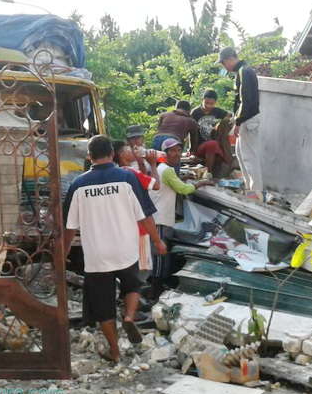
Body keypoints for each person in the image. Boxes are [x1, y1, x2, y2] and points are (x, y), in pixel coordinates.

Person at [64, 135, 167, 363]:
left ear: (89, 156)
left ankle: (115, 351)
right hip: (126, 250)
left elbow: (69, 228)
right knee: (132, 286)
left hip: (97, 256)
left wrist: (62, 253)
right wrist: (158, 241)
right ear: (112, 153)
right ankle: (129, 316)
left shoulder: (78, 185)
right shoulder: (127, 178)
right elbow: (145, 215)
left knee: (103, 306)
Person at [147, 137, 211, 298]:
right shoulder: (167, 170)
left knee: (159, 257)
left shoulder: (162, 169)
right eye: (172, 151)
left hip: (157, 218)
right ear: (165, 153)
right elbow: (183, 189)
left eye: (178, 150)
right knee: (160, 258)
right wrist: (200, 183)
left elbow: (174, 184)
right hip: (160, 219)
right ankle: (155, 294)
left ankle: (155, 292)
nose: (176, 154)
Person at [219, 46, 263, 197]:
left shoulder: (244, 71)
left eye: (223, 63)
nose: (224, 67)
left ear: (230, 59)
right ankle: (249, 189)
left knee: (249, 157)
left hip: (248, 119)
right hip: (246, 118)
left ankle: (255, 194)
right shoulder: (242, 71)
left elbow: (246, 100)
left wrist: (238, 122)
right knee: (240, 153)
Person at [112, 140, 160, 273]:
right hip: (139, 229)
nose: (133, 151)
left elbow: (143, 180)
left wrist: (141, 162)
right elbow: (156, 185)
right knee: (140, 271)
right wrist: (153, 165)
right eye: (129, 149)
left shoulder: (118, 173)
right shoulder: (130, 172)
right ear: (122, 154)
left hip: (121, 230)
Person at [191, 89, 230, 174]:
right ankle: (208, 173)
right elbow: (191, 132)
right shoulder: (195, 112)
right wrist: (191, 151)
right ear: (202, 100)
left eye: (211, 104)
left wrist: (219, 124)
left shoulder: (217, 111)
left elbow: (229, 116)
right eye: (206, 103)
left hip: (214, 142)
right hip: (200, 146)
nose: (208, 106)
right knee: (212, 144)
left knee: (220, 149)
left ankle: (216, 174)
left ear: (215, 103)